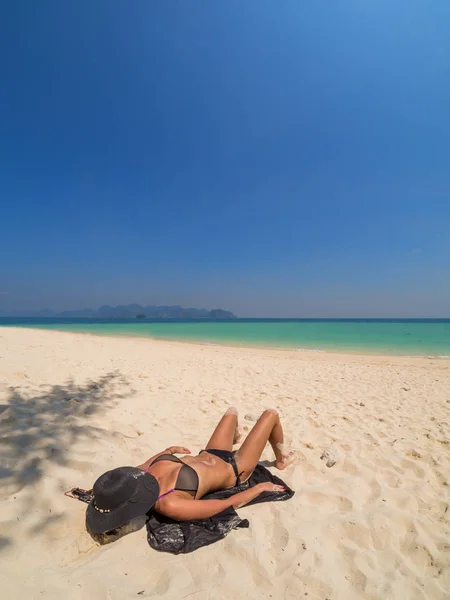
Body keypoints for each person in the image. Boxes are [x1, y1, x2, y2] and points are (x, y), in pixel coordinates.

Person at [86, 408, 296, 536]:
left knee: (231, 412)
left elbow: (141, 466)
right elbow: (225, 505)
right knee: (271, 415)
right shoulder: (169, 502)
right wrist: (259, 488)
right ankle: (281, 459)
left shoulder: (139, 475)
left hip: (211, 452)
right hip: (235, 468)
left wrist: (169, 451)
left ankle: (235, 436)